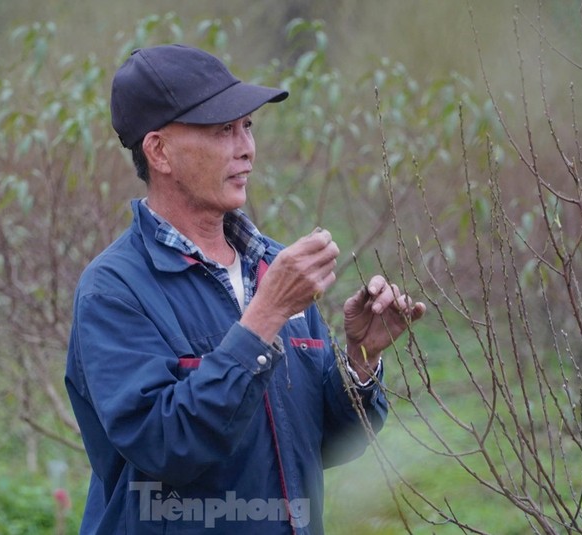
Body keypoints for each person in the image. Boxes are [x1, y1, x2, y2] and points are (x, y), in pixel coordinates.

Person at [65, 43, 426, 535]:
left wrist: (360, 361)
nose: (246, 148)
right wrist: (263, 317)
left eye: (247, 126)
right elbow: (165, 445)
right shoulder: (114, 290)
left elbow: (320, 442)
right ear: (159, 151)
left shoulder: (272, 266)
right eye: (222, 131)